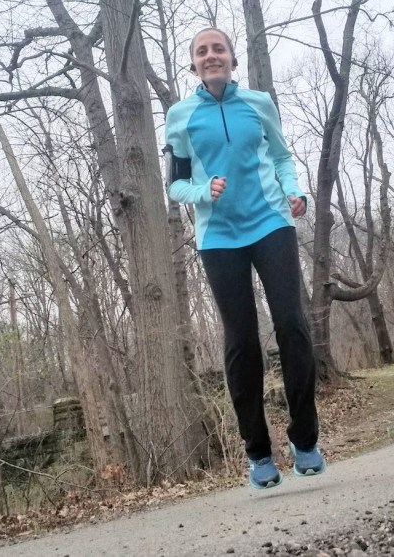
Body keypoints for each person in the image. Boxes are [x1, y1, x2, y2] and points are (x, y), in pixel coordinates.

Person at [164, 27, 325, 490]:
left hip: (271, 220)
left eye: (219, 49)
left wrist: (295, 192)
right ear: (194, 64)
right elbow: (175, 185)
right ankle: (258, 453)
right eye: (202, 51)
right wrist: (202, 191)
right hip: (218, 235)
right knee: (241, 341)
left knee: (291, 324)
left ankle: (305, 440)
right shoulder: (180, 116)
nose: (211, 55)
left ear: (232, 59)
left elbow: (282, 157)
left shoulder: (259, 103)